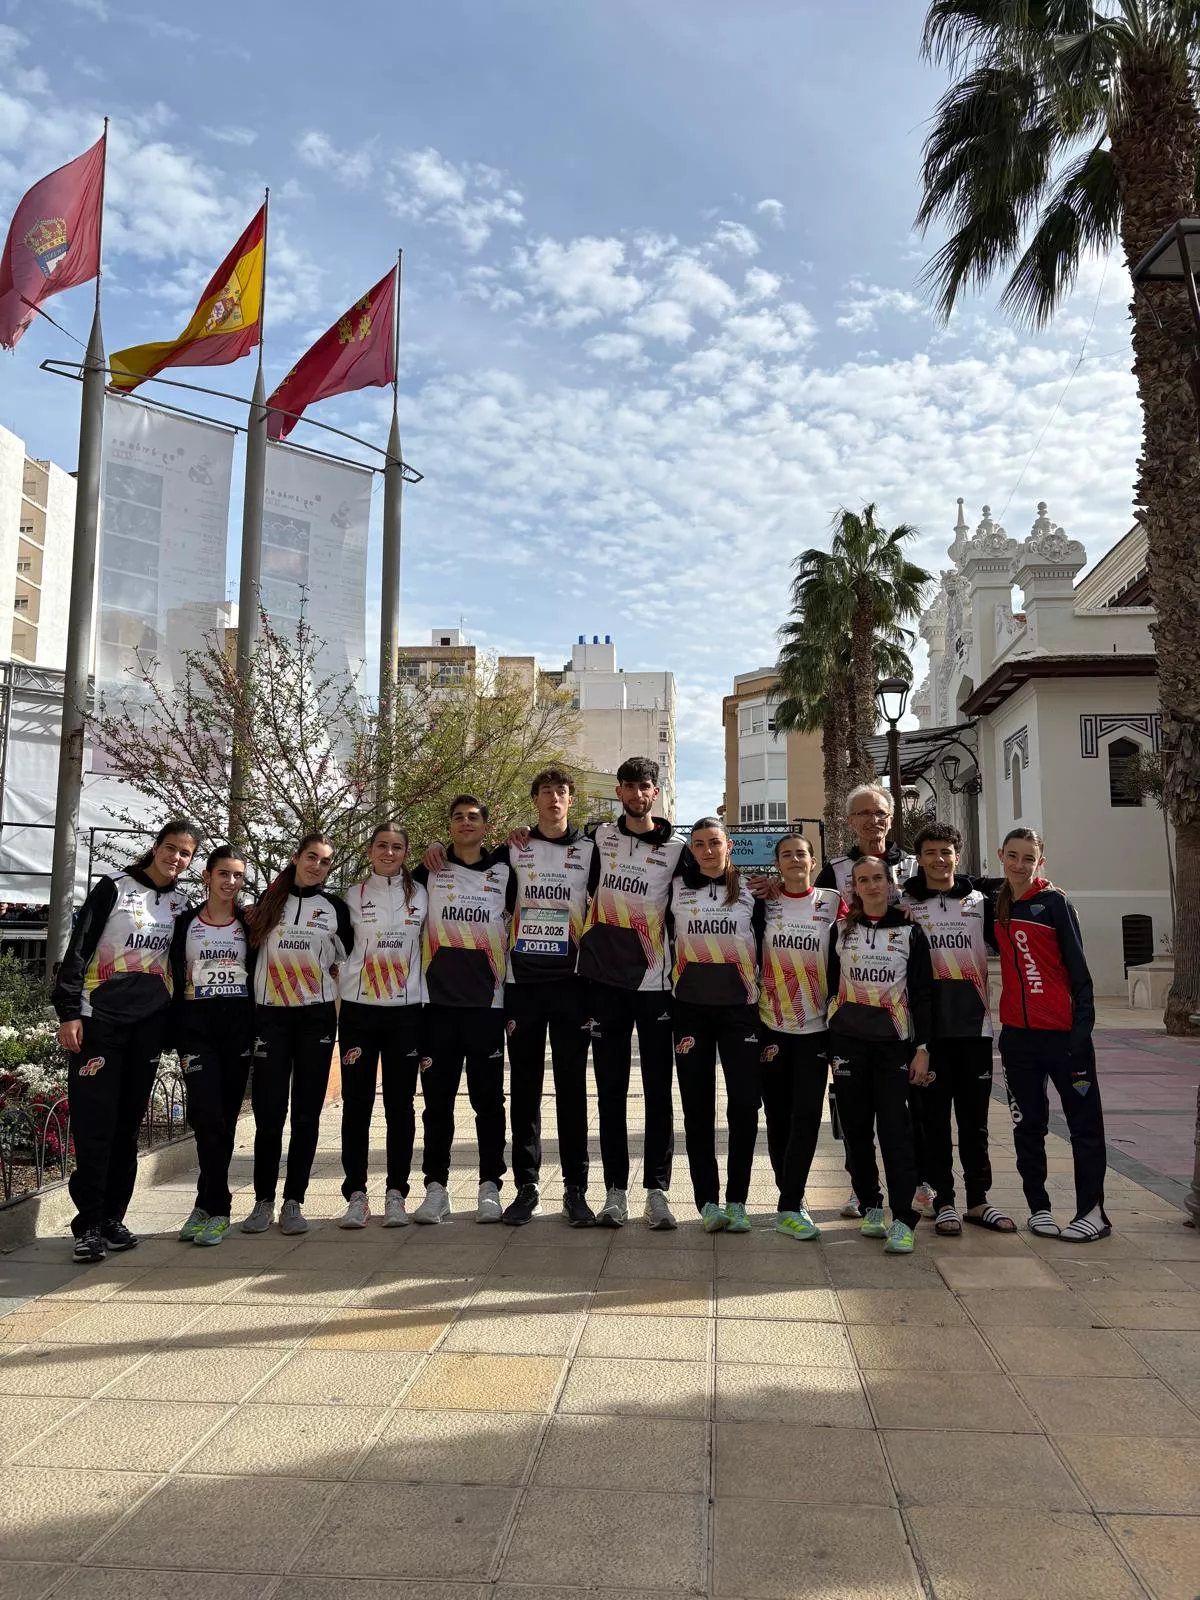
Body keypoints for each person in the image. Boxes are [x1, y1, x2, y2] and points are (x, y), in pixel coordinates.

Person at [51, 819, 198, 1262]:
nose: (176, 858)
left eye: (185, 854)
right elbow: (78, 949)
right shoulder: (113, 888)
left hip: (148, 1025)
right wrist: (70, 1013)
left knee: (128, 1126)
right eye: (170, 849)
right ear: (155, 847)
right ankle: (88, 1224)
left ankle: (114, 1215)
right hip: (100, 1022)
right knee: (96, 1125)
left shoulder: (182, 903)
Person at [576, 755, 686, 1229]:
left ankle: (657, 1191)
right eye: (629, 786)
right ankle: (615, 1191)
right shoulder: (598, 836)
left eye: (645, 786)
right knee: (610, 1091)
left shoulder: (678, 849)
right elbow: (548, 848)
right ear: (618, 792)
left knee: (659, 1091)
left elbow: (713, 882)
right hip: (605, 983)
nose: (638, 794)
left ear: (654, 792)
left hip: (655, 985)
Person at [993, 827, 1109, 1242]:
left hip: (1063, 1038)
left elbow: (1080, 973)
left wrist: (1081, 1031)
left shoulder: (1055, 903)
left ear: (1040, 861)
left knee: (1084, 1126)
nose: (1019, 865)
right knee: (1028, 1126)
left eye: (1028, 858)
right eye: (1012, 856)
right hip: (1018, 1040)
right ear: (1000, 855)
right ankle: (1038, 1209)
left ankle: (1093, 1214)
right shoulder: (996, 901)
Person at [815, 783, 926, 1218]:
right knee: (856, 1115)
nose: (871, 820)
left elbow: (947, 889)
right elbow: (814, 912)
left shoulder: (914, 865)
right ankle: (862, 1190)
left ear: (891, 818)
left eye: (879, 812)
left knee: (905, 1113)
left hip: (905, 1000)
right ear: (850, 821)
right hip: (854, 1008)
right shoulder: (835, 869)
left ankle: (916, 1185)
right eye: (862, 813)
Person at [901, 824, 1015, 1235]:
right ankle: (945, 1201)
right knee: (933, 1121)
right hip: (927, 1033)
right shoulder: (906, 903)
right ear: (920, 857)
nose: (938, 859)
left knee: (975, 1121)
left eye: (946, 851)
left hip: (974, 1028)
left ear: (957, 854)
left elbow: (1014, 910)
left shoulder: (980, 901)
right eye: (930, 852)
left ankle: (979, 1201)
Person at [241, 833, 352, 1236]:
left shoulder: (334, 908)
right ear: (296, 858)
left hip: (316, 1021)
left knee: (306, 1116)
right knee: (269, 1116)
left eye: (324, 862)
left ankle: (294, 1201)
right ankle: (262, 1201)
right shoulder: (267, 904)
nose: (317, 866)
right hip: (271, 1019)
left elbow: (348, 957)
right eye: (311, 857)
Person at [410, 795, 513, 1225]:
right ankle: (436, 1188)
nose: (466, 823)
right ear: (449, 827)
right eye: (458, 818)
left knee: (488, 1102)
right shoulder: (428, 871)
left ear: (486, 826)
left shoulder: (506, 870)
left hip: (487, 1006)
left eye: (474, 817)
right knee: (437, 1105)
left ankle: (490, 1187)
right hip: (436, 1006)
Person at [826, 854, 934, 1255]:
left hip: (894, 1045)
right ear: (853, 887)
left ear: (890, 884)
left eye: (878, 879)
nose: (872, 886)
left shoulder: (910, 931)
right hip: (848, 1042)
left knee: (895, 1131)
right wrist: (829, 1045)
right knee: (855, 1130)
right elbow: (829, 988)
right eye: (863, 880)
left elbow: (922, 995)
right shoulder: (840, 931)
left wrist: (922, 1048)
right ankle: (871, 1205)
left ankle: (903, 1218)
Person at [671, 817, 765, 1232]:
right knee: (697, 1108)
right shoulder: (675, 890)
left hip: (740, 1011)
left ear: (729, 846)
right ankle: (707, 1202)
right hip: (690, 1010)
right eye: (699, 845)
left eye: (714, 843)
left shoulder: (753, 892)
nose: (707, 850)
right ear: (691, 850)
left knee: (744, 1105)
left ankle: (738, 1200)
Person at [336, 822, 427, 1229]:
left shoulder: (421, 894)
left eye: (396, 847)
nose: (389, 853)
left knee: (400, 1105)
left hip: (406, 1012)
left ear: (406, 853)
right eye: (381, 846)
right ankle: (356, 1194)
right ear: (370, 851)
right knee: (357, 1105)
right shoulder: (350, 897)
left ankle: (396, 1194)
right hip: (359, 1011)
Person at [757, 832, 845, 1240]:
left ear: (813, 861)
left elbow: (858, 937)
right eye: (787, 854)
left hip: (815, 1028)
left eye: (801, 854)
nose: (795, 859)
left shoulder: (830, 902)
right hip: (770, 1025)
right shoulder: (765, 902)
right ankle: (788, 1197)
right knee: (777, 1115)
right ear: (777, 864)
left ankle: (790, 1202)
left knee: (807, 1116)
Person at [171, 845, 256, 1248]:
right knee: (204, 1117)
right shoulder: (185, 922)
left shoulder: (249, 923)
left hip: (237, 1032)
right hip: (196, 1030)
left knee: (225, 1119)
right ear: (207, 876)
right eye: (223, 874)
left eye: (238, 876)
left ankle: (211, 1209)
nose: (230, 882)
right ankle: (213, 1203)